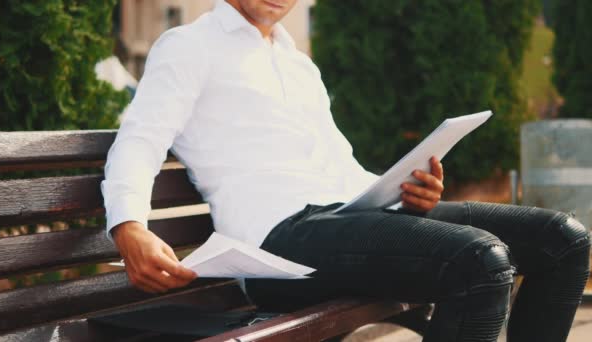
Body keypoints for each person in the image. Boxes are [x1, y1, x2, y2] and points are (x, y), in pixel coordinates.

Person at [101, 1, 591, 341]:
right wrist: (129, 227)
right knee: (480, 262)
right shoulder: (188, 46)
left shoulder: (299, 66)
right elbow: (139, 138)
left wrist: (405, 192)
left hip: (348, 221)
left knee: (562, 240)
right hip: (277, 241)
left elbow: (341, 167)